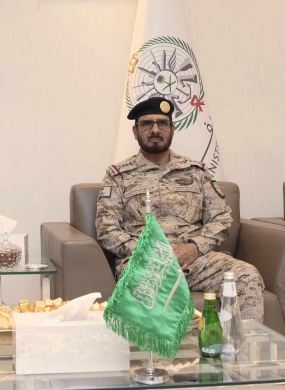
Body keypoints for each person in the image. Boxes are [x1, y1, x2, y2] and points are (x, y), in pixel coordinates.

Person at [95, 97, 264, 321]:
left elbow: (221, 219)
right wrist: (151, 252)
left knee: (246, 275)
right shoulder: (118, 176)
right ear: (135, 132)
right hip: (146, 263)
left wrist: (195, 247)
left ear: (172, 129)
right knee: (146, 287)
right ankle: (174, 346)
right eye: (147, 124)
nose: (155, 130)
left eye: (162, 123)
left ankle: (240, 343)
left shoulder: (196, 172)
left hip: (196, 260)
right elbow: (106, 229)